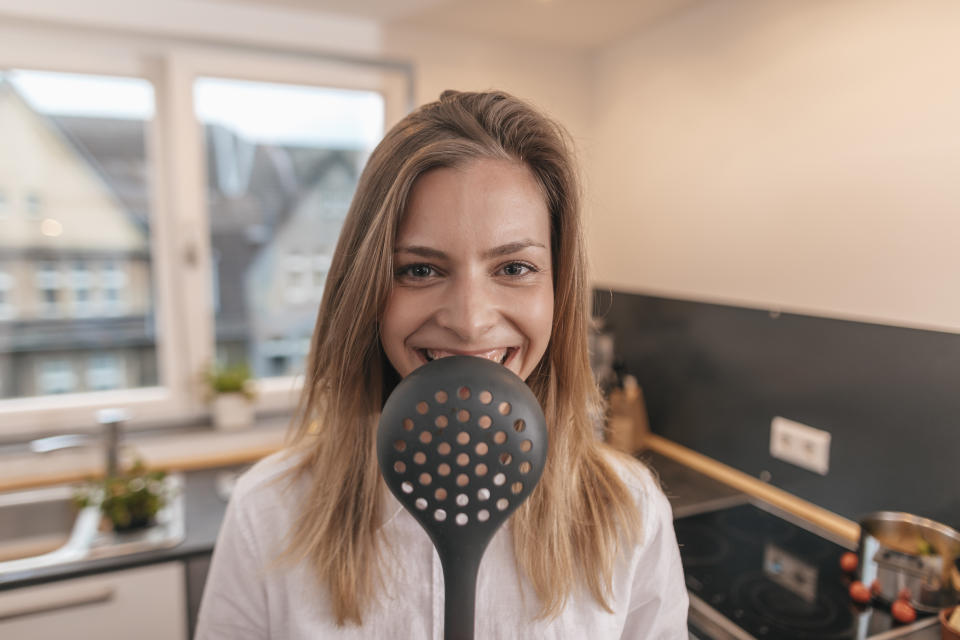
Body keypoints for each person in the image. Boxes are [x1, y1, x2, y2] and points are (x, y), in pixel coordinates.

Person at [195, 89, 688, 639]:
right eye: (421, 271)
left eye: (515, 267)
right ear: (367, 292)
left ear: (560, 292)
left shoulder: (630, 514)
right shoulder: (268, 512)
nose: (471, 321)